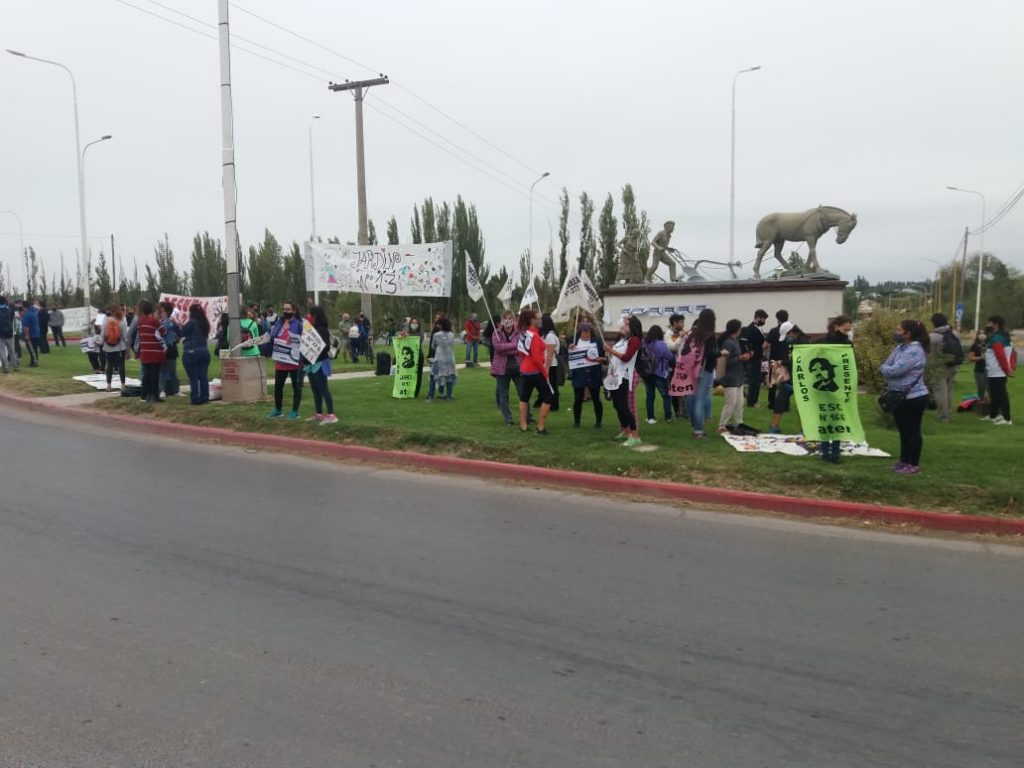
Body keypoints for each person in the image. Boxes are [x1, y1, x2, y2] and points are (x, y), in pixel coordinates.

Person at [880, 319, 931, 474]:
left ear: (908, 334)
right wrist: (885, 367)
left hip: (914, 397)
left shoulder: (914, 351)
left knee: (912, 431)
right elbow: (887, 364)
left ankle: (913, 464)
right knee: (903, 431)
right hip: (898, 396)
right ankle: (903, 461)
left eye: (898, 330)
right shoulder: (900, 348)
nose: (896, 332)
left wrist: (884, 368)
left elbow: (894, 370)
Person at [604, 314, 643, 446]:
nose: (623, 326)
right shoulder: (622, 341)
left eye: (626, 324)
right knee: (617, 405)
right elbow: (615, 358)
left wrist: (611, 350)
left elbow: (626, 357)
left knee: (623, 406)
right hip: (614, 376)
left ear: (632, 327)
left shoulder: (635, 340)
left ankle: (635, 435)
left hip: (624, 376)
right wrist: (605, 358)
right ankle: (625, 431)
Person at [819, 315, 853, 462]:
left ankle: (835, 453)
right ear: (836, 326)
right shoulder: (823, 341)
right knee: (825, 419)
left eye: (849, 329)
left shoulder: (848, 343)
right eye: (845, 329)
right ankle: (825, 452)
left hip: (839, 386)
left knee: (837, 419)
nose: (847, 332)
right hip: (824, 387)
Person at [767, 321, 810, 434]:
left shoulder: (803, 343)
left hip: (801, 379)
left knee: (802, 403)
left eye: (787, 335)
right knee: (780, 400)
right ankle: (774, 426)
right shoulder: (796, 342)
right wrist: (783, 362)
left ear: (792, 332)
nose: (786, 338)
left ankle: (804, 429)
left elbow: (799, 361)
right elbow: (792, 359)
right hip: (793, 377)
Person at [682, 308, 719, 438]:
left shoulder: (692, 333)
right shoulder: (710, 335)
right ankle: (698, 430)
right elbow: (711, 353)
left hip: (690, 369)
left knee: (690, 397)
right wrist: (721, 353)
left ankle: (694, 424)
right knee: (700, 399)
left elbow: (684, 350)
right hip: (704, 369)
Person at [517, 308, 553, 435]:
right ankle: (541, 427)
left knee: (524, 397)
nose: (540, 320)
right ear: (532, 320)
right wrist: (544, 372)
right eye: (538, 317)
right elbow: (537, 359)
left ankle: (523, 425)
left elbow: (521, 352)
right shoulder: (535, 336)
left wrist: (524, 363)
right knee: (548, 397)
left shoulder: (524, 333)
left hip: (525, 370)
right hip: (535, 370)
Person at [490, 310, 528, 426]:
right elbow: (498, 348)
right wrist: (513, 346)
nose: (508, 320)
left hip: (517, 367)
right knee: (503, 394)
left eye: (511, 318)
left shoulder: (519, 332)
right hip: (502, 369)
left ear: (514, 320)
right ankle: (508, 419)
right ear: (502, 320)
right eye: (506, 318)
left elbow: (521, 347)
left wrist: (507, 348)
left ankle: (527, 416)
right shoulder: (496, 333)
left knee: (523, 393)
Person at [267, 301, 304, 419]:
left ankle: (294, 411)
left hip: (294, 361)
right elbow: (273, 337)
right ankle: (278, 409)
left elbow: (304, 340)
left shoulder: (299, 324)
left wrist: (293, 339)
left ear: (294, 311)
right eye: (284, 309)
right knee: (278, 386)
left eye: (288, 309)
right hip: (281, 360)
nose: (285, 311)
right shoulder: (279, 322)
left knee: (296, 386)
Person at [304, 306, 337, 424]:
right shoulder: (311, 329)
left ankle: (331, 414)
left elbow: (326, 346)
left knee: (323, 389)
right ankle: (318, 413)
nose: (309, 317)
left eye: (311, 315)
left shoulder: (322, 330)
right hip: (311, 363)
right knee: (315, 389)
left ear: (316, 316)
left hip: (320, 362)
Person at [569, 319, 605, 428]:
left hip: (594, 373)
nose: (585, 324)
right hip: (579, 373)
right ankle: (577, 422)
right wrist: (569, 349)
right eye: (583, 321)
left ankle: (598, 422)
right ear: (579, 325)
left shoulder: (598, 341)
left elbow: (604, 358)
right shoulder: (573, 340)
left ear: (592, 325)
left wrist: (601, 359)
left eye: (588, 322)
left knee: (596, 398)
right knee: (578, 399)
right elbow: (569, 356)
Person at [927, 312, 961, 423]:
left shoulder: (932, 337)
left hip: (938, 367)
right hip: (953, 365)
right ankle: (949, 413)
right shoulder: (955, 334)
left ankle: (943, 416)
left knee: (940, 391)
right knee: (949, 390)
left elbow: (929, 353)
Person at [717, 319, 750, 432]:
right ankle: (722, 424)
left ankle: (738, 422)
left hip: (738, 375)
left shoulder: (735, 341)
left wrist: (744, 357)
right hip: (730, 376)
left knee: (740, 402)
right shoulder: (728, 343)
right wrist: (739, 358)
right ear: (737, 329)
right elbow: (725, 362)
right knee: (731, 402)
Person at [981, 314, 1013, 426]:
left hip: (997, 371)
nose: (987, 325)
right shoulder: (1001, 336)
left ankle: (1007, 418)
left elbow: (1000, 355)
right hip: (994, 370)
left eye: (990, 323)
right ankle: (994, 415)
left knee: (1001, 395)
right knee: (994, 395)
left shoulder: (997, 338)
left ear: (996, 325)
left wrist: (1006, 369)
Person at [641, 324, 674, 424]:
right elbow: (670, 357)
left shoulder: (644, 343)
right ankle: (668, 417)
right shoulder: (661, 344)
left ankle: (650, 418)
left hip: (646, 373)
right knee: (666, 395)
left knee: (650, 395)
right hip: (659, 372)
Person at [136, 300, 167, 403]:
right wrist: (160, 321)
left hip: (144, 352)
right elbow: (164, 332)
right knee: (155, 375)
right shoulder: (154, 321)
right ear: (152, 310)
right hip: (155, 352)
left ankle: (144, 396)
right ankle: (155, 396)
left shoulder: (140, 321)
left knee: (146, 375)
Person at [742, 309, 769, 407]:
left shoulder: (757, 328)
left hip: (758, 357)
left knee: (757, 380)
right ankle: (752, 401)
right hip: (754, 358)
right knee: (754, 380)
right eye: (764, 319)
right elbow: (750, 343)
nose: (764, 321)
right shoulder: (752, 328)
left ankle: (754, 400)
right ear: (758, 318)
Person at [100, 306, 129, 391]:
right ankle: (123, 385)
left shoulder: (106, 320)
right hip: (120, 347)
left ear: (111, 312)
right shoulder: (123, 320)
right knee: (121, 366)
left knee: (109, 365)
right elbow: (124, 336)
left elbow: (102, 335)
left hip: (108, 347)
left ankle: (109, 386)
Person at [765, 309, 789, 409]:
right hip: (786, 360)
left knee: (773, 383)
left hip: (774, 359)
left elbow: (765, 345)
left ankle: (771, 404)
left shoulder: (774, 331)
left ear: (777, 319)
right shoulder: (790, 331)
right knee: (786, 383)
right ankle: (786, 405)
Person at [430, 317, 458, 400]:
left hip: (439, 358)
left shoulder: (436, 335)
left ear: (441, 325)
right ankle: (449, 395)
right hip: (450, 358)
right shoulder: (452, 334)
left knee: (434, 376)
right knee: (449, 377)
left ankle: (432, 395)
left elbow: (433, 345)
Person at [537, 314, 561, 411]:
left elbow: (550, 353)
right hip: (547, 363)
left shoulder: (550, 336)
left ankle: (554, 404)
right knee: (548, 384)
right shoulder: (545, 335)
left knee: (551, 384)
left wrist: (547, 367)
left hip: (551, 364)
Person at [665, 313, 687, 417]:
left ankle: (685, 411)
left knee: (685, 389)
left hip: (684, 365)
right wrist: (680, 338)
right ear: (675, 323)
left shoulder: (681, 334)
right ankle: (677, 411)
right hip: (673, 366)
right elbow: (672, 347)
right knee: (676, 390)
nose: (683, 325)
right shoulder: (669, 334)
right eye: (681, 322)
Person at [158, 302, 181, 397]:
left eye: (162, 311)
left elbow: (179, 334)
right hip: (162, 348)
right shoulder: (160, 322)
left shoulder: (172, 322)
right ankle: (162, 390)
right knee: (162, 371)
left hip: (171, 348)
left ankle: (176, 390)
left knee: (172, 370)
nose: (160, 313)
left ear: (167, 312)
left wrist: (175, 338)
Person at [967, 330, 989, 404]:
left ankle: (990, 403)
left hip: (990, 369)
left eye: (984, 333)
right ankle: (981, 401)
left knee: (990, 387)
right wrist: (980, 358)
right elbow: (970, 358)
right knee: (981, 387)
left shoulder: (989, 344)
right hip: (979, 370)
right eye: (980, 333)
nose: (982, 335)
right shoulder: (975, 345)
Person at [21, 301, 41, 368]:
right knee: (34, 349)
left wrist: (26, 335)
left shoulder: (27, 314)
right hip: (37, 333)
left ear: (24, 307)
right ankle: (33, 361)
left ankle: (34, 362)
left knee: (32, 349)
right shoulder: (34, 313)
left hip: (31, 334)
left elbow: (26, 327)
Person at [0, 296, 16, 373]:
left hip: (1, 334)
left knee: (2, 351)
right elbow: (11, 320)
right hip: (10, 333)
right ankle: (16, 366)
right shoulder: (10, 310)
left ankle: (6, 367)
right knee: (12, 350)